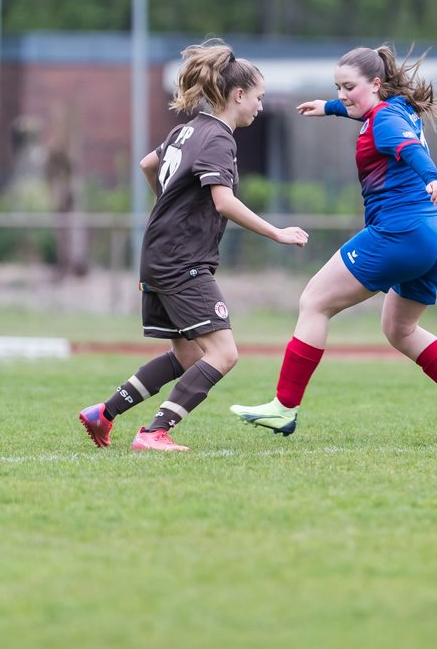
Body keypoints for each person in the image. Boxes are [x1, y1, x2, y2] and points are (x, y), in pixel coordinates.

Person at [229, 44, 437, 437]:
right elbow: (363, 111)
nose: (342, 95)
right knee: (401, 329)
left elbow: (408, 150)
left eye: (348, 87)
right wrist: (328, 107)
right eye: (337, 87)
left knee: (314, 302)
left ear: (376, 84)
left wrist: (435, 178)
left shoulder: (383, 122)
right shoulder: (395, 109)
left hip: (403, 230)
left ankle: (283, 407)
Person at [79, 40, 310, 452]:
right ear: (238, 95)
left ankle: (105, 413)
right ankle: (154, 433)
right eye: (258, 98)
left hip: (159, 253)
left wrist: (168, 203)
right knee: (223, 353)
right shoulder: (219, 138)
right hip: (182, 260)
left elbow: (148, 164)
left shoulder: (187, 129)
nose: (260, 106)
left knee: (188, 356)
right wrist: (276, 233)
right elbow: (224, 201)